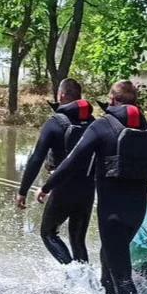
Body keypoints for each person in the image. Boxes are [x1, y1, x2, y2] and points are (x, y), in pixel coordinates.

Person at [38, 80, 147, 294]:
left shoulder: (101, 126)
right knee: (108, 257)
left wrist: (48, 185)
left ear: (112, 99)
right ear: (136, 102)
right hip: (136, 212)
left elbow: (73, 161)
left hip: (112, 215)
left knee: (121, 273)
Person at [16, 78, 96, 264]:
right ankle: (88, 283)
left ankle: (74, 277)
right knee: (78, 240)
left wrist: (23, 191)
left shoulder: (55, 122)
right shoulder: (93, 123)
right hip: (88, 187)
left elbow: (36, 158)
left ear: (61, 95)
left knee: (48, 234)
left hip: (62, 186)